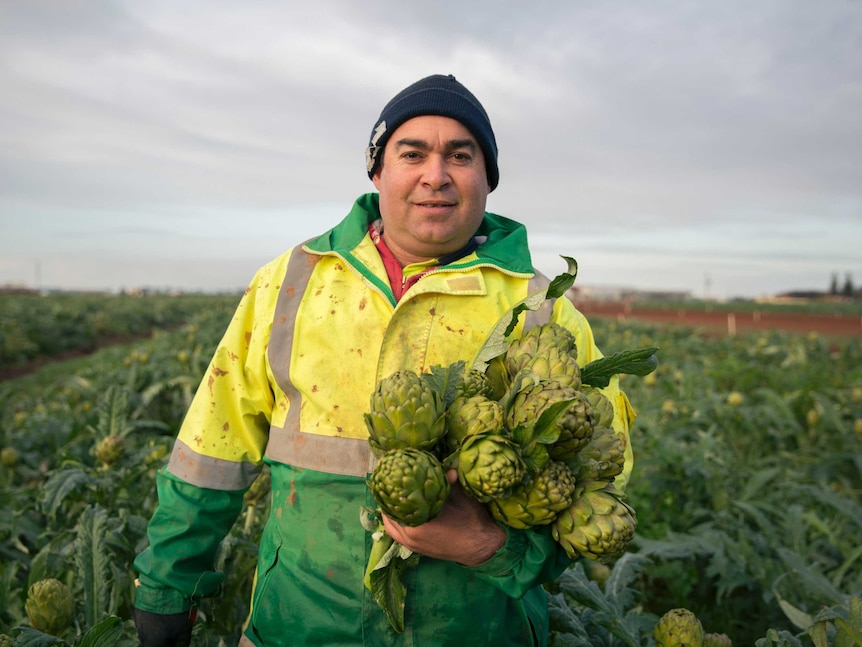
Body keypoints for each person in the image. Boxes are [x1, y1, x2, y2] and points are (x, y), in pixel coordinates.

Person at [133, 73, 636, 647]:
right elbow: (211, 451)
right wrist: (168, 585)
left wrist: (494, 548)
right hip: (298, 626)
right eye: (412, 153)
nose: (436, 175)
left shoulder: (544, 312)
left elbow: (602, 483)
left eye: (461, 156)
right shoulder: (289, 284)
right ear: (378, 171)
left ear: (487, 178)